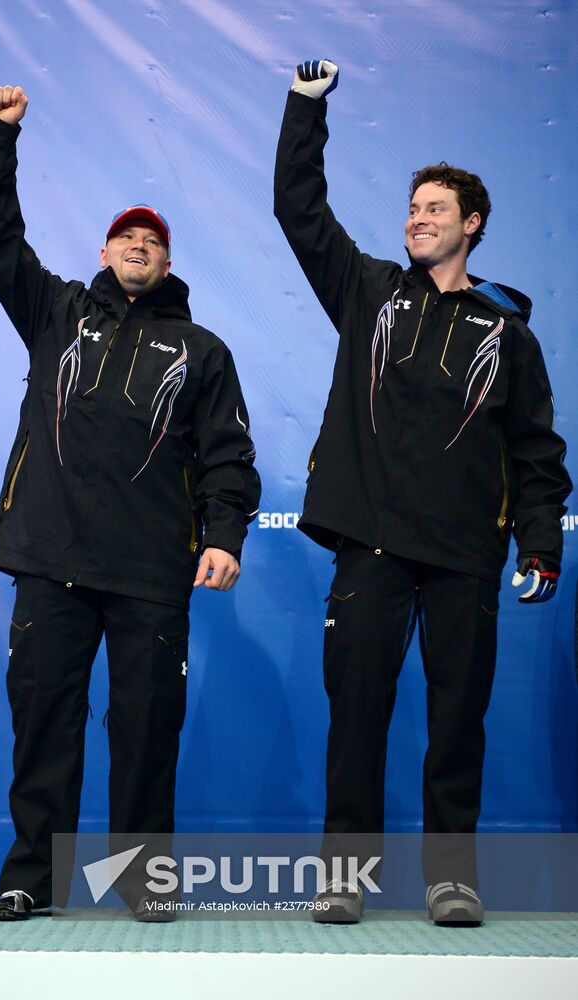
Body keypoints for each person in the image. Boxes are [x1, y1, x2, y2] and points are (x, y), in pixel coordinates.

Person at [274, 61, 571, 925]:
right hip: (369, 541)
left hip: (463, 554)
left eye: (436, 209)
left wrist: (540, 541)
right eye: (413, 208)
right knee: (356, 720)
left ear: (471, 226)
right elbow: (299, 210)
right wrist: (305, 108)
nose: (418, 218)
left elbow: (537, 453)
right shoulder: (368, 292)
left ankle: (451, 879)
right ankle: (345, 878)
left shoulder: (509, 334)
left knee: (456, 727)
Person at [0, 85, 260, 921]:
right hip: (49, 559)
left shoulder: (202, 350)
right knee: (45, 729)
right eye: (126, 236)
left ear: (168, 264)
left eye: (152, 240)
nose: (138, 246)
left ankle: (144, 880)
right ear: (104, 250)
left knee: (145, 731)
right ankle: (32, 875)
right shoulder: (56, 310)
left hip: (149, 572)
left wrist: (226, 534)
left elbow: (229, 458)